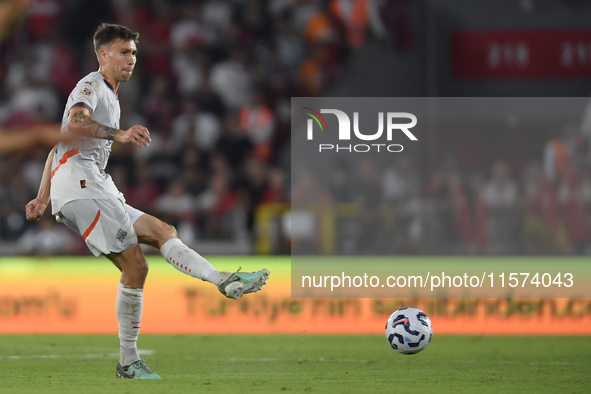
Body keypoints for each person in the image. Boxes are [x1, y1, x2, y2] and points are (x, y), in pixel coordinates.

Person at [24, 23, 269, 380]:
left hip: (89, 184)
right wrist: (119, 134)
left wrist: (43, 195)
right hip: (82, 186)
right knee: (136, 266)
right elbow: (77, 121)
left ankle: (223, 280)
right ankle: (128, 361)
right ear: (103, 55)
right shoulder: (90, 85)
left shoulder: (110, 93)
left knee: (162, 230)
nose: (131, 59)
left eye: (134, 53)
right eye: (123, 52)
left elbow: (58, 142)